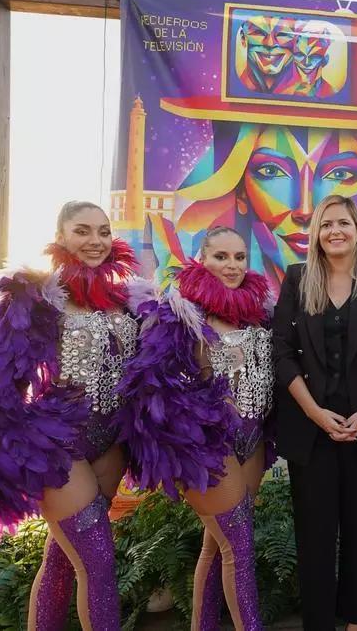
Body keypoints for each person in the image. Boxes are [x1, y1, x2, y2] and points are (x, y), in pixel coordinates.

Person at [0, 201, 156, 630]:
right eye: (82, 231)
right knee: (99, 561)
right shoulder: (37, 296)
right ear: (60, 235)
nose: (95, 241)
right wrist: (14, 438)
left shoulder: (129, 300)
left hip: (111, 443)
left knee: (63, 561)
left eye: (103, 231)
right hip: (59, 446)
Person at [119, 226, 275, 631]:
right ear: (201, 258)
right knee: (238, 549)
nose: (232, 265)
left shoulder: (261, 311)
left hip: (253, 442)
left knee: (216, 545)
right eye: (221, 256)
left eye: (240, 257)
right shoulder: (179, 313)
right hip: (206, 446)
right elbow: (152, 387)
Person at [271, 194, 357, 630]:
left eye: (344, 223)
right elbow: (283, 354)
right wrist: (314, 414)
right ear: (316, 233)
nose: (335, 231)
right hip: (312, 432)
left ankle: (356, 623)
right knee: (315, 537)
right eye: (326, 224)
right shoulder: (296, 280)